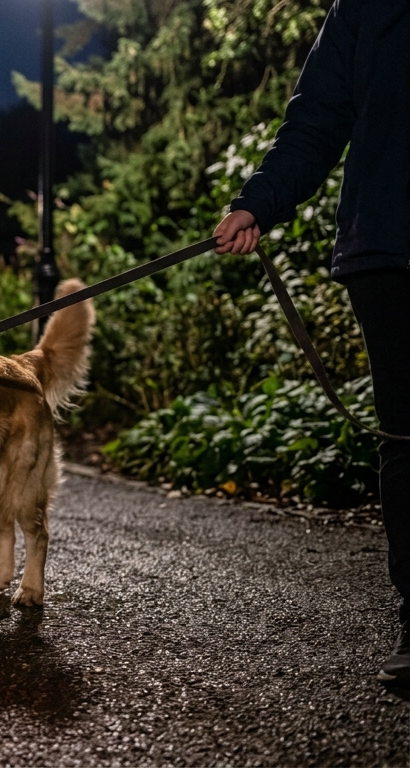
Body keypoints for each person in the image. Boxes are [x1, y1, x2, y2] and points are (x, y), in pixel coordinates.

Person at [213, 0, 408, 689]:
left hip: (383, 241)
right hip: (390, 248)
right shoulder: (366, 6)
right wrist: (258, 201)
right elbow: (320, 115)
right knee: (406, 438)